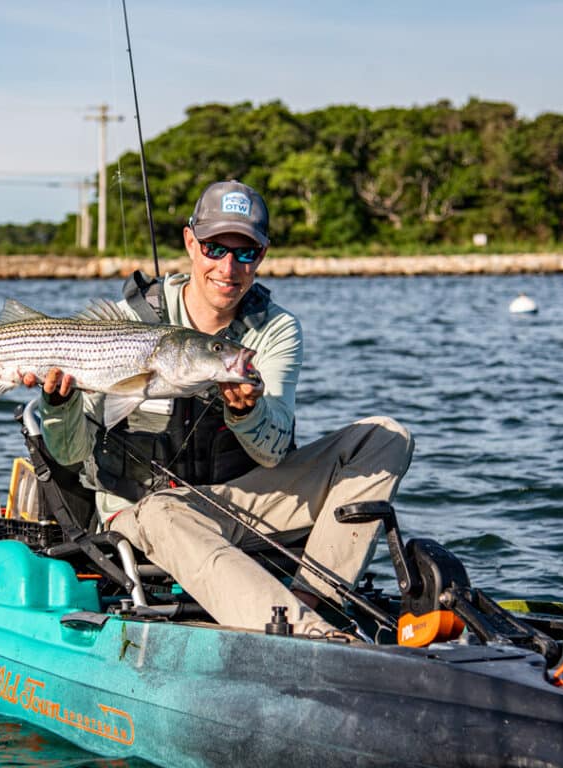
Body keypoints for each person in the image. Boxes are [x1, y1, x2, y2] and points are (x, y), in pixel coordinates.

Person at [23, 180, 413, 638]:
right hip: (141, 510)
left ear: (262, 255)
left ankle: (313, 597)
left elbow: (273, 454)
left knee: (386, 436)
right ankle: (305, 636)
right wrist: (57, 404)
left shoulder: (276, 330)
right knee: (162, 513)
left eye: (244, 252)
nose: (228, 267)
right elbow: (69, 454)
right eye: (213, 248)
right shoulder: (126, 323)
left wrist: (248, 414)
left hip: (241, 500)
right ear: (191, 243)